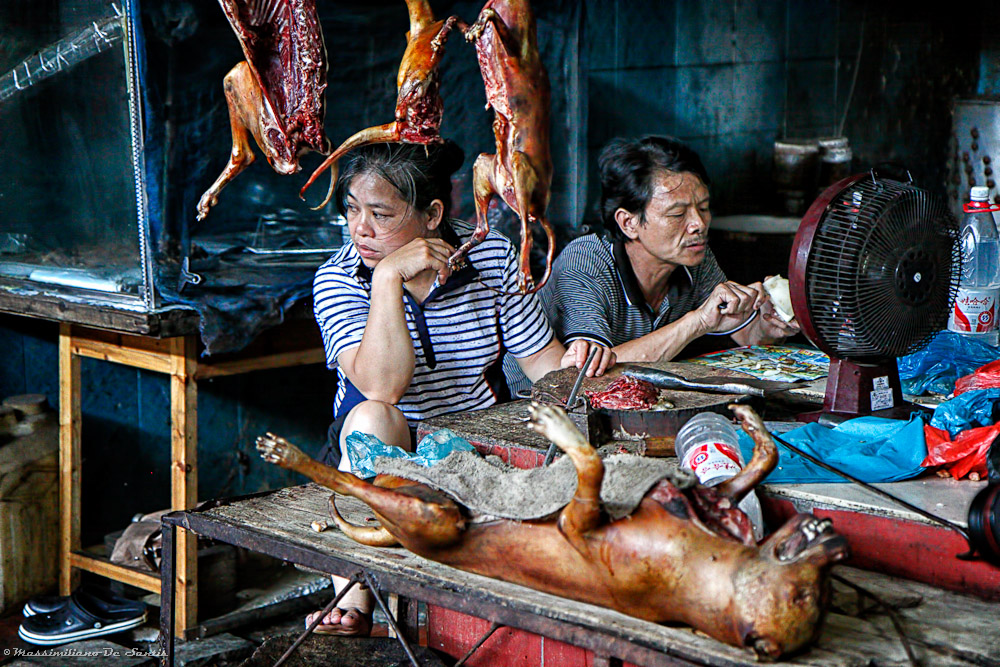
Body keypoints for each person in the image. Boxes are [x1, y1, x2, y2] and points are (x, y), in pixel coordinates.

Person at [308, 140, 615, 635]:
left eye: (380, 214)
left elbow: (543, 363)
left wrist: (581, 360)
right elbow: (381, 386)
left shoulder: (493, 256)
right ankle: (356, 587)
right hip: (383, 456)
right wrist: (387, 277)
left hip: (472, 447)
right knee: (373, 416)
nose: (359, 229)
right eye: (351, 210)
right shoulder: (339, 278)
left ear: (432, 214)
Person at [541, 135, 799, 362]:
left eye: (704, 208)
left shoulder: (693, 256)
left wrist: (767, 325)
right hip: (539, 407)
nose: (698, 224)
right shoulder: (585, 263)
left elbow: (743, 333)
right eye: (677, 214)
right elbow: (587, 372)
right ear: (628, 223)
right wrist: (696, 322)